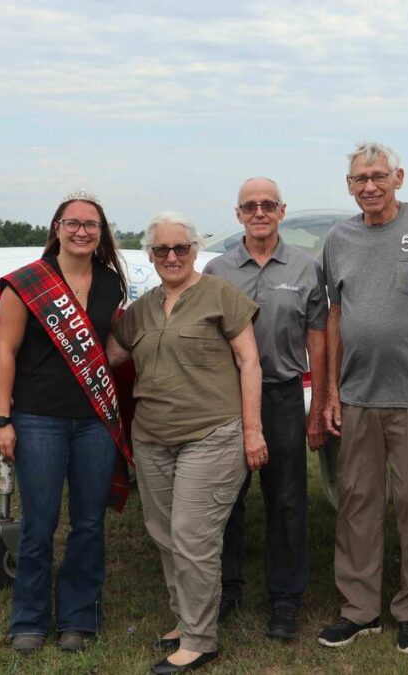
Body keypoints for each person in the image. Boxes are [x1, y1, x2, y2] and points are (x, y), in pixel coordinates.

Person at [106, 212, 266, 675]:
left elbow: (249, 363)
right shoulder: (143, 308)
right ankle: (185, 618)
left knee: (193, 536)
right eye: (161, 250)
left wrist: (252, 430)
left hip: (212, 434)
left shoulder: (221, 294)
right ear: (151, 255)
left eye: (181, 248)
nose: (172, 257)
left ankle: (200, 640)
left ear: (195, 250)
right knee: (163, 533)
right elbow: (107, 357)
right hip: (153, 438)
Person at [318, 142, 408, 655]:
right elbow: (335, 313)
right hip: (358, 395)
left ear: (399, 177)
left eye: (379, 176)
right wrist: (332, 389)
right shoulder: (340, 237)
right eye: (360, 179)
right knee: (357, 501)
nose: (370, 186)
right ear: (349, 185)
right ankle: (359, 610)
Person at [0, 190, 132, 654]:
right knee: (39, 524)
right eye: (72, 223)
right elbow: (4, 353)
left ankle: (79, 618)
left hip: (95, 421)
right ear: (57, 228)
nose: (81, 231)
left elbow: (108, 349)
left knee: (89, 523)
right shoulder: (27, 283)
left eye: (91, 224)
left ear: (100, 233)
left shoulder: (111, 282)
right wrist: (3, 418)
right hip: (38, 420)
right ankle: (28, 620)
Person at [204, 177, 328, 640]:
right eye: (250, 206)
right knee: (225, 499)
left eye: (268, 205)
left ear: (282, 211)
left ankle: (285, 599)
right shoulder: (217, 270)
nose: (259, 212)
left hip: (282, 396)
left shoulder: (305, 267)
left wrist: (317, 409)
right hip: (225, 398)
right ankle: (227, 590)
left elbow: (318, 337)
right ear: (238, 214)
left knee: (287, 500)